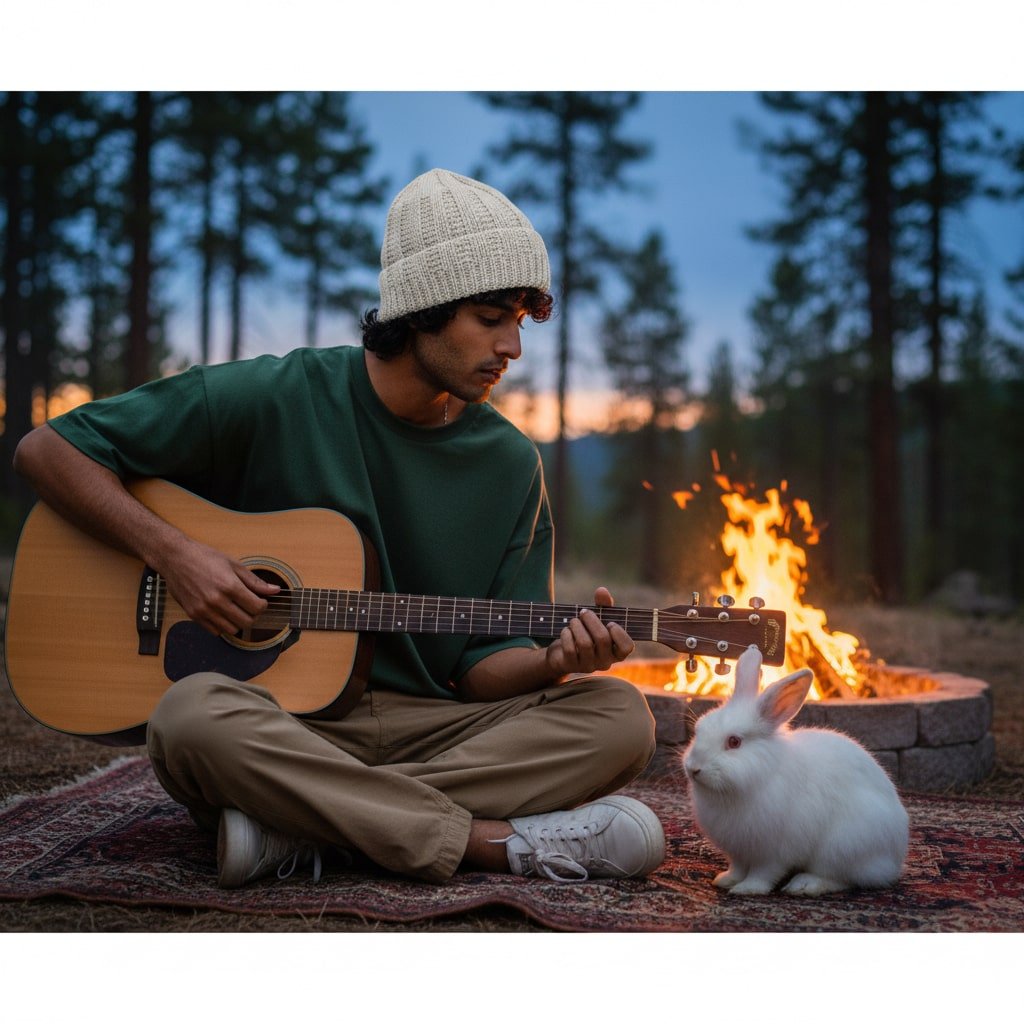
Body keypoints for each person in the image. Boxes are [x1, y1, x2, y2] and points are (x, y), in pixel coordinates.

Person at [13, 168, 664, 888]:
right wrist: (176, 555)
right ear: (423, 306)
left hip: (435, 728)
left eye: (522, 319)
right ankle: (486, 843)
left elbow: (483, 668)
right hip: (286, 724)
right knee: (189, 716)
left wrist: (555, 662)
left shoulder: (510, 465)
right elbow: (50, 450)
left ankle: (299, 823)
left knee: (620, 714)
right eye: (491, 318)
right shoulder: (276, 396)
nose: (512, 346)